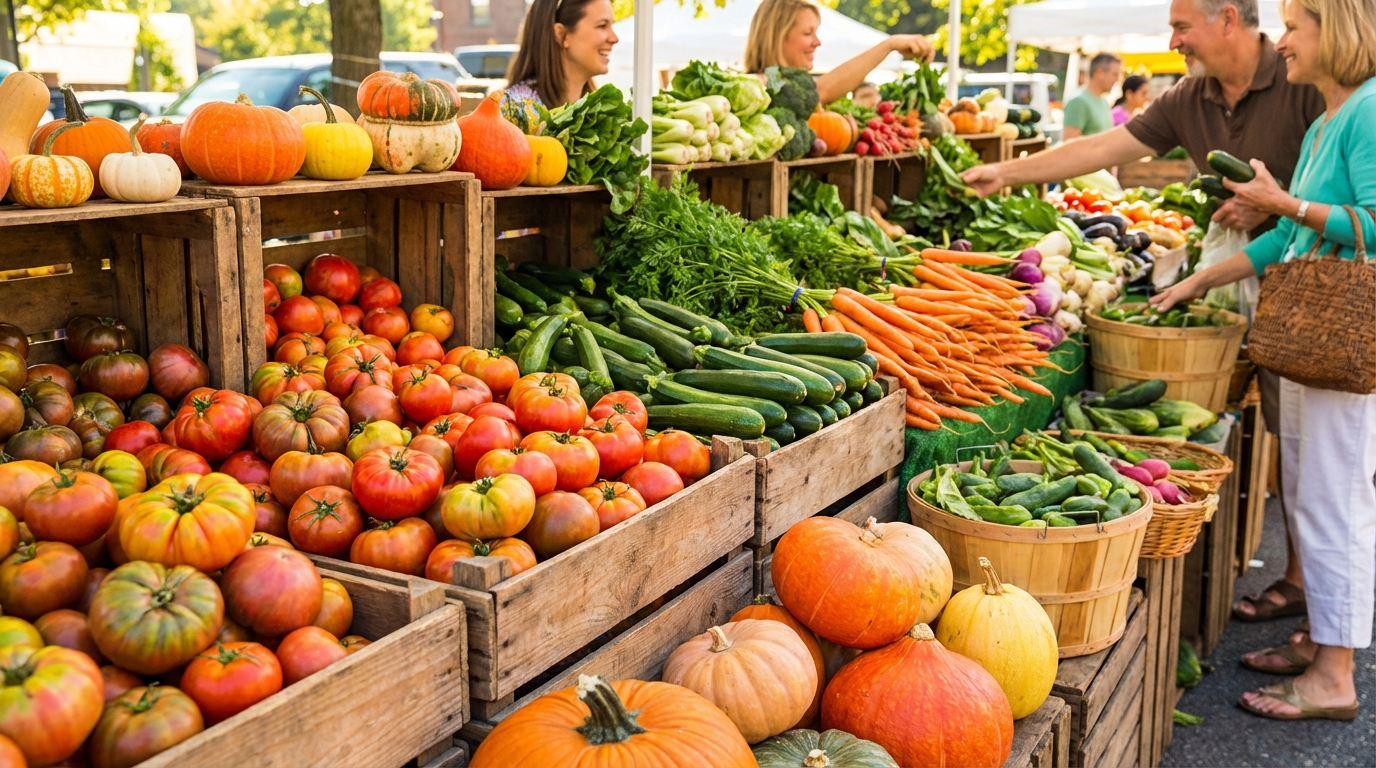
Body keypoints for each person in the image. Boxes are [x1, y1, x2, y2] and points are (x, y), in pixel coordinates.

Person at [1151, 0, 1376, 722]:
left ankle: (1336, 677)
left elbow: (1371, 223)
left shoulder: (1370, 110)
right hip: (1312, 343)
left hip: (1340, 340)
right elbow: (1287, 240)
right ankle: (1322, 642)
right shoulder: (1325, 122)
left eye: (1295, 28)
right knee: (1309, 493)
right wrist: (1197, 281)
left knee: (1337, 499)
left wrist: (1285, 202)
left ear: (1337, 32)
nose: (1283, 43)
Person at [743, 0, 934, 105]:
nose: (817, 42)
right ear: (776, 37)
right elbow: (821, 91)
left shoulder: (791, 84)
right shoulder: (756, 88)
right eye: (808, 33)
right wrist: (888, 45)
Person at [502, 0, 618, 121]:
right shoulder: (515, 111)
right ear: (561, 34)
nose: (614, 38)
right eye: (602, 26)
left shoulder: (598, 114)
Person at [1063, 53, 1123, 139]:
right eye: (1114, 74)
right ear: (1099, 72)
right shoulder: (1078, 102)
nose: (1117, 79)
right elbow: (1069, 142)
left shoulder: (1104, 101)